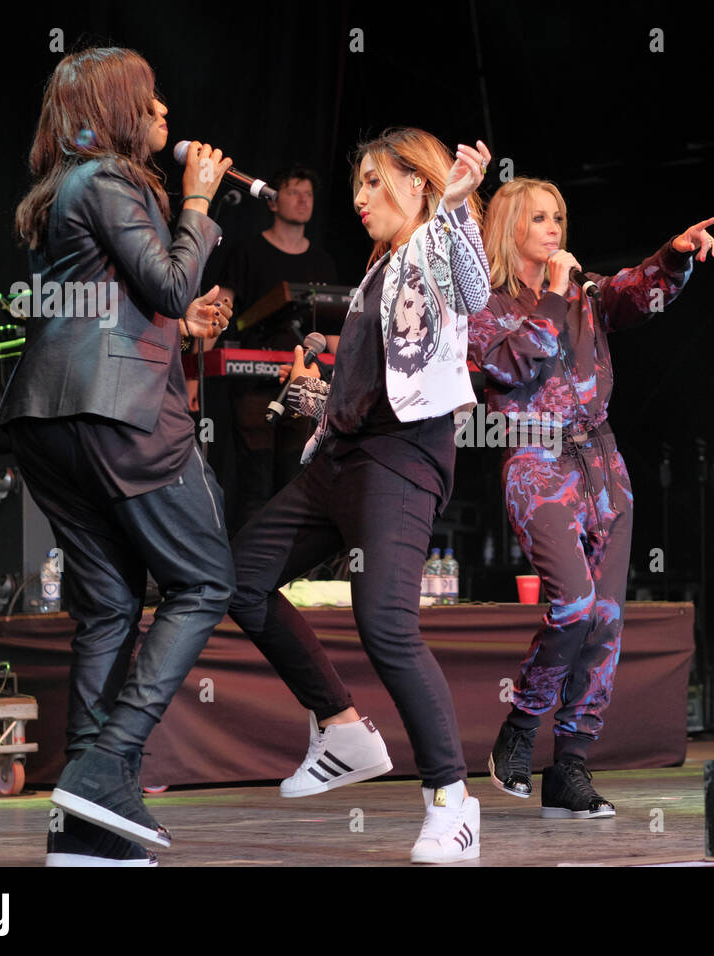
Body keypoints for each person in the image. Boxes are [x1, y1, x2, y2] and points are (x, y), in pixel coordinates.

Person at [225, 128, 493, 863]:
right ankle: (341, 727)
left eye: (375, 182)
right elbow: (368, 385)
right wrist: (315, 387)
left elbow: (474, 289)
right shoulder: (378, 270)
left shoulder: (437, 247)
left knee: (387, 625)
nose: (359, 198)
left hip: (400, 461)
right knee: (239, 581)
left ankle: (453, 801)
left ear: (418, 183)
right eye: (359, 185)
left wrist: (460, 210)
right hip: (338, 460)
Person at [0, 47, 236, 865]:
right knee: (204, 579)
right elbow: (169, 283)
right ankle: (104, 766)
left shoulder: (60, 191)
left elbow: (121, 302)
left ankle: (85, 826)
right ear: (119, 107)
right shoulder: (108, 179)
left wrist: (180, 325)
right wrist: (198, 203)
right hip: (114, 415)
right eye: (152, 99)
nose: (166, 112)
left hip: (47, 417)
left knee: (105, 607)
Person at [466, 177, 714, 818]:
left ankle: (570, 767)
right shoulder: (487, 302)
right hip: (535, 457)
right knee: (573, 605)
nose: (555, 229)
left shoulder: (584, 293)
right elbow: (511, 366)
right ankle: (521, 728)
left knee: (605, 620)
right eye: (541, 218)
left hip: (602, 462)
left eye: (560, 218)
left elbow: (636, 292)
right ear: (509, 228)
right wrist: (551, 296)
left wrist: (675, 255)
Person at [213, 166, 341, 529]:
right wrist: (192, 371)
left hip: (304, 385)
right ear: (272, 201)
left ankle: (287, 578)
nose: (303, 199)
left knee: (292, 481)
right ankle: (248, 577)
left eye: (308, 193)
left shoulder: (322, 262)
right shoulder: (249, 252)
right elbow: (219, 311)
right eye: (293, 191)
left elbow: (331, 334)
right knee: (254, 484)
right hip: (254, 384)